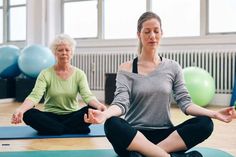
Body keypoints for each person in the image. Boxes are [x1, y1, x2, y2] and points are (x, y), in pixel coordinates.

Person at [84, 12, 235, 157]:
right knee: (112, 124)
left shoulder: (173, 67)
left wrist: (214, 114)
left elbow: (185, 104)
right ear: (139, 35)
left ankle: (146, 154)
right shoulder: (126, 68)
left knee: (205, 124)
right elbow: (121, 104)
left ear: (162, 33)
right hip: (134, 136)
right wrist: (104, 114)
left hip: (166, 136)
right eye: (147, 31)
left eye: (156, 31)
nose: (152, 36)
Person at [11, 34, 106, 135]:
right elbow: (35, 96)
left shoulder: (79, 74)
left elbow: (87, 96)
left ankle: (54, 129)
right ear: (55, 53)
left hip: (72, 115)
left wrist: (99, 105)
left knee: (93, 109)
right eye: (60, 50)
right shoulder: (45, 73)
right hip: (50, 116)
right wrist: (21, 109)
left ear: (72, 53)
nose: (64, 53)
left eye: (67, 50)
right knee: (28, 113)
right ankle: (73, 129)